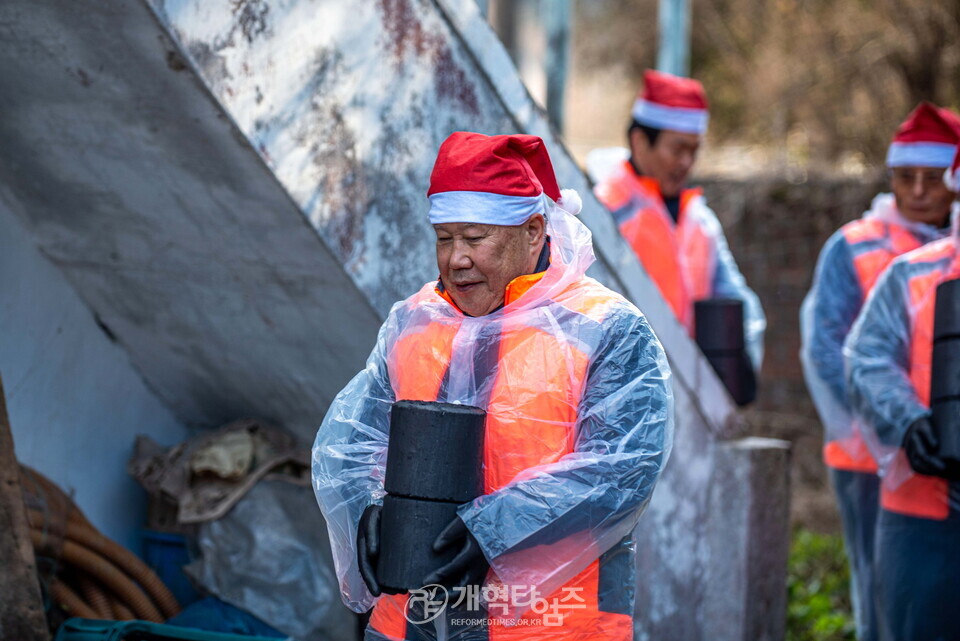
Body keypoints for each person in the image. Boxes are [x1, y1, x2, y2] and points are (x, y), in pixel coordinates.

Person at [312, 132, 674, 640]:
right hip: (408, 624)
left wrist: (493, 530)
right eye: (444, 237)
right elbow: (354, 444)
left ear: (531, 231)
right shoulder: (415, 322)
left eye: (475, 238)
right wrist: (369, 507)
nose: (456, 258)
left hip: (551, 627)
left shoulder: (605, 328)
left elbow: (622, 470)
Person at [800, 102, 960, 641]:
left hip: (934, 458)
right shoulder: (857, 246)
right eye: (904, 177)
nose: (916, 191)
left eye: (932, 178)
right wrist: (887, 433)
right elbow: (828, 351)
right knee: (884, 588)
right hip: (868, 453)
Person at [592, 69, 765, 371]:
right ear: (640, 142)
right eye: (677, 149)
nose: (686, 162)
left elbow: (733, 296)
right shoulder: (605, 214)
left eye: (694, 150)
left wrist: (743, 362)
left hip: (690, 394)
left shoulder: (700, 221)